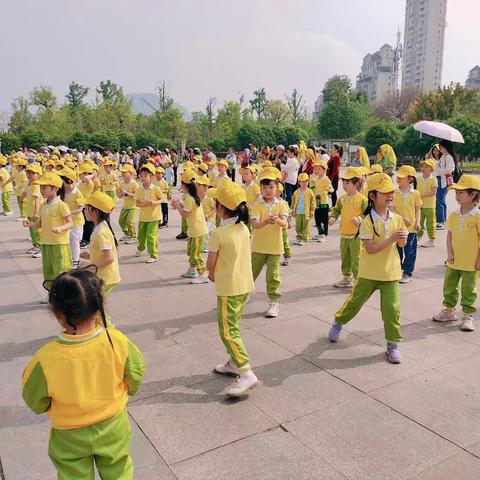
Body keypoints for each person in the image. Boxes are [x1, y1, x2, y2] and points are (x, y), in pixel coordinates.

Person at [22, 269, 145, 479]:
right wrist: (126, 390)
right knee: (119, 470)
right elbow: (136, 372)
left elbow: (33, 398)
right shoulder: (117, 340)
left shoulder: (45, 358)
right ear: (98, 306)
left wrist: (51, 406)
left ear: (58, 315)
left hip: (68, 432)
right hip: (113, 423)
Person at [329, 173, 408, 364]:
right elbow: (371, 249)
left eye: (391, 192)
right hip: (368, 273)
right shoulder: (367, 222)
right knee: (355, 303)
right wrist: (391, 239)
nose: (389, 196)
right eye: (384, 193)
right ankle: (339, 321)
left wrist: (402, 238)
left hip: (390, 273)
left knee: (392, 310)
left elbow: (402, 244)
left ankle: (392, 344)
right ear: (372, 196)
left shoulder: (396, 218)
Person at [207, 181, 258, 397]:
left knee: (228, 331)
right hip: (244, 285)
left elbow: (211, 263)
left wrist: (210, 273)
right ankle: (233, 362)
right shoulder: (243, 227)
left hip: (228, 287)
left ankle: (246, 373)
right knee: (233, 325)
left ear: (220, 208)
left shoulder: (219, 233)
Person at [432, 175, 480, 332]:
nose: (456, 195)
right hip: (454, 260)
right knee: (450, 285)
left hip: (471, 262)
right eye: (456, 192)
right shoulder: (453, 215)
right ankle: (449, 310)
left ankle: (467, 315)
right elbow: (450, 235)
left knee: (469, 288)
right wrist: (449, 253)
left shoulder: (478, 216)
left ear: (473, 194)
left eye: (461, 192)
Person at [23, 172, 73, 301]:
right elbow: (40, 223)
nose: (41, 190)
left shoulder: (61, 205)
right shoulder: (43, 205)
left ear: (55, 188)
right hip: (46, 243)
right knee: (48, 270)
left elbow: (70, 222)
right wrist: (31, 224)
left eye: (44, 187)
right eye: (41, 187)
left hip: (59, 243)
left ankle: (65, 294)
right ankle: (52, 293)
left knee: (61, 270)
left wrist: (60, 228)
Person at [250, 168, 289, 317]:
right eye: (264, 187)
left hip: (275, 247)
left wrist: (277, 220)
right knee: (251, 272)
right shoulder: (257, 205)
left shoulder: (281, 204)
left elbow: (285, 224)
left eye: (271, 187)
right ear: (260, 188)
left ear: (277, 187)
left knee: (273, 275)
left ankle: (274, 302)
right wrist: (266, 221)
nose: (268, 190)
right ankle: (242, 295)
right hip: (259, 246)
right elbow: (255, 225)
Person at [329, 167, 368, 288]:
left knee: (356, 259)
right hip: (344, 234)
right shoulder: (342, 199)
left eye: (347, 182)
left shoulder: (363, 199)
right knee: (344, 257)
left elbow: (368, 214)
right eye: (343, 182)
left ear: (356, 184)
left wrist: (360, 219)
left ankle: (358, 280)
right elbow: (336, 210)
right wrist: (333, 217)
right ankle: (347, 277)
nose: (344, 185)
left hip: (356, 235)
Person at [171, 170, 209, 284]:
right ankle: (192, 270)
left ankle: (203, 275)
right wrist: (180, 205)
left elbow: (185, 214)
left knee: (197, 254)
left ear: (184, 185)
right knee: (191, 251)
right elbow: (189, 209)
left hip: (197, 230)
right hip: (194, 230)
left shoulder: (189, 197)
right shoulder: (191, 196)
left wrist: (178, 206)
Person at [80, 191, 120, 296]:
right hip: (103, 276)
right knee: (97, 308)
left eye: (86, 208)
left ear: (95, 212)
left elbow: (109, 258)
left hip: (106, 278)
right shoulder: (99, 228)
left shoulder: (101, 232)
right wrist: (91, 255)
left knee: (96, 308)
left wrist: (90, 266)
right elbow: (104, 253)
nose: (84, 211)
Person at [393, 165, 422, 284]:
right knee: (397, 250)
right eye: (398, 176)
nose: (398, 179)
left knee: (410, 251)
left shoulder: (415, 193)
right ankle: (396, 270)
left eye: (402, 177)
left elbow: (417, 209)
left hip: (411, 229)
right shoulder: (394, 193)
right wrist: (402, 218)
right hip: (398, 227)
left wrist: (418, 222)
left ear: (410, 179)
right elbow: (391, 210)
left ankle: (407, 272)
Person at [134, 163, 163, 264]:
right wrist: (144, 204)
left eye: (145, 175)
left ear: (151, 176)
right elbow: (137, 204)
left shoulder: (156, 188)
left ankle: (154, 255)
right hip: (143, 217)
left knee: (151, 236)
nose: (143, 178)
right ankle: (141, 248)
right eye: (141, 175)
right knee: (141, 235)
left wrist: (154, 202)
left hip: (154, 217)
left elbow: (161, 199)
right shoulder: (139, 189)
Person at [59, 167, 85, 269]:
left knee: (74, 242)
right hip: (64, 221)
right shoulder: (62, 192)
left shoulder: (77, 193)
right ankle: (68, 260)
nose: (60, 182)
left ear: (69, 181)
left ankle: (75, 261)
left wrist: (68, 213)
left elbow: (80, 208)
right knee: (66, 241)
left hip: (76, 222)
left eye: (62, 180)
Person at [433, 139, 456, 230]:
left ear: (446, 147)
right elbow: (440, 165)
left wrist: (439, 171)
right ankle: (443, 220)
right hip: (440, 179)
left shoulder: (448, 157)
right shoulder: (444, 156)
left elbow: (450, 169)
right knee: (442, 201)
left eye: (441, 147)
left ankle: (440, 221)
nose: (440, 148)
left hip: (443, 180)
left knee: (439, 200)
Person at [310, 160, 333, 242]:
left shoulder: (326, 179)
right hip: (317, 202)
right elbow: (312, 189)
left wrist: (329, 189)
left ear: (324, 170)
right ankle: (320, 233)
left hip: (324, 202)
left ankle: (325, 235)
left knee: (324, 219)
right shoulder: (315, 179)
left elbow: (332, 189)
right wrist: (312, 185)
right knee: (317, 218)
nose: (317, 170)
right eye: (316, 169)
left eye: (319, 169)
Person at [417, 159, 438, 248]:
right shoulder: (418, 178)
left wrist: (420, 195)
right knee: (419, 222)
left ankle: (431, 240)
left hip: (430, 206)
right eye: (422, 166)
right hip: (420, 205)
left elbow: (434, 192)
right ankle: (418, 237)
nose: (423, 168)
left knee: (431, 223)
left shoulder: (433, 179)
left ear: (431, 169)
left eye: (426, 167)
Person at [291, 173, 315, 245]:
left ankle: (304, 239)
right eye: (303, 181)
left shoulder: (310, 191)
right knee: (298, 227)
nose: (305, 183)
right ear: (299, 182)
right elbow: (293, 202)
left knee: (305, 226)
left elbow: (313, 202)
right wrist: (292, 210)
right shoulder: (296, 192)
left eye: (306, 181)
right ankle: (299, 238)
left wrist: (312, 210)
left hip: (306, 212)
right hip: (298, 212)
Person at [24, 163, 43, 258]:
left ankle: (40, 247)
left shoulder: (36, 185)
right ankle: (36, 246)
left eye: (33, 173)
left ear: (38, 174)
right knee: (32, 231)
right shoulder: (30, 184)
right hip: (30, 212)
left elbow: (37, 200)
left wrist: (36, 212)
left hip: (36, 213)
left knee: (37, 232)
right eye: (28, 173)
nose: (30, 175)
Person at [117, 164, 139, 244]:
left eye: (124, 172)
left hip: (133, 206)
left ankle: (134, 237)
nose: (122, 174)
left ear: (130, 173)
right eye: (122, 172)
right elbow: (119, 196)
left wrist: (127, 193)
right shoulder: (122, 184)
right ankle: (127, 234)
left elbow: (137, 196)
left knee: (129, 221)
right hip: (125, 206)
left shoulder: (134, 184)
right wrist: (119, 193)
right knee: (121, 221)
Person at [276, 184, 292, 266]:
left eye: (277, 190)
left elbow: (288, 214)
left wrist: (289, 223)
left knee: (285, 242)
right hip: (274, 228)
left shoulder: (283, 202)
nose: (275, 192)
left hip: (283, 227)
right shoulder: (269, 201)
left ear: (280, 192)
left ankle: (287, 257)